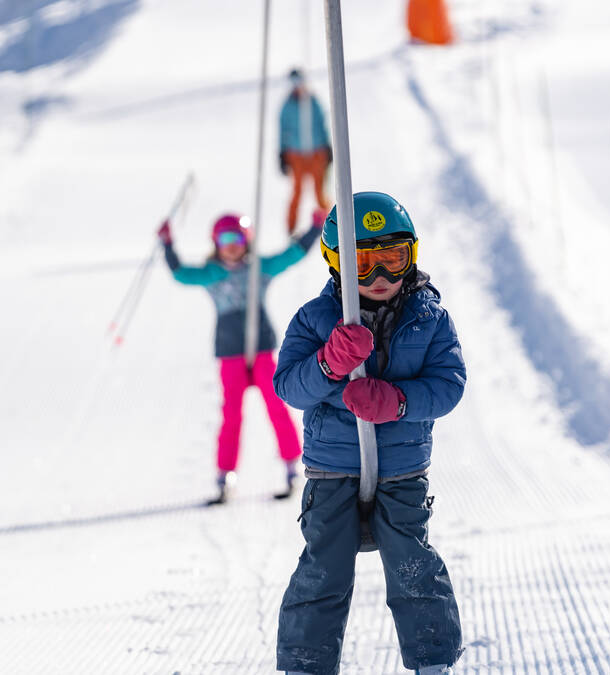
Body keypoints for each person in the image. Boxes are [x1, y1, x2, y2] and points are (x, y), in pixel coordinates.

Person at [273, 192, 466, 675]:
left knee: (413, 566)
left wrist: (398, 402)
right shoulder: (316, 320)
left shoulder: (429, 318)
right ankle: (304, 664)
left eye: (393, 259)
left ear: (412, 255)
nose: (381, 277)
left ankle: (433, 661)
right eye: (364, 263)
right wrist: (327, 363)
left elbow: (449, 386)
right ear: (336, 261)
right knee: (324, 571)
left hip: (401, 471)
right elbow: (289, 387)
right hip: (333, 469)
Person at [157, 208, 325, 502]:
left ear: (247, 240)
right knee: (231, 413)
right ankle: (225, 477)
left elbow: (292, 255)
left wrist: (314, 228)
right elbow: (181, 274)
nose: (232, 245)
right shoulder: (211, 273)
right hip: (231, 351)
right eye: (225, 238)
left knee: (276, 405)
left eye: (237, 237)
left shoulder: (258, 269)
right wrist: (168, 244)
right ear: (215, 242)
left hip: (260, 347)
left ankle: (292, 467)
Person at [279, 68, 332, 235]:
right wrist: (281, 153)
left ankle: (332, 226)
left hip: (317, 152)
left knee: (320, 191)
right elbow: (283, 129)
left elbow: (322, 123)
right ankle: (291, 229)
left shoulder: (313, 101)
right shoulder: (287, 105)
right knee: (297, 192)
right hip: (296, 154)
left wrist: (328, 146)